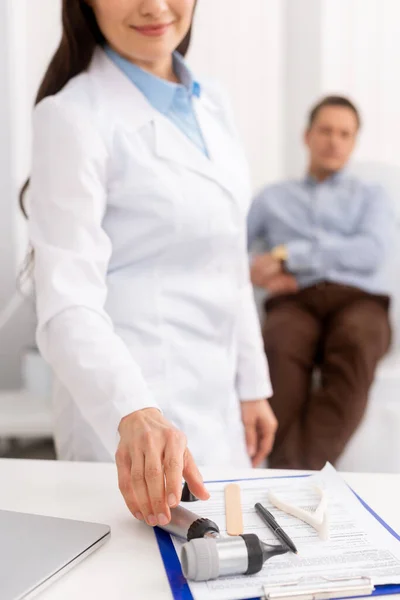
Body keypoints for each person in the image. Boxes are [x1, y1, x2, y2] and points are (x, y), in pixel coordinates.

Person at [24, 0, 277, 527]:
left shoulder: (214, 104)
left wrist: (253, 385)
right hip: (129, 418)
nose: (153, 6)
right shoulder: (72, 115)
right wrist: (132, 410)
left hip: (219, 406)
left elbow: (229, 257)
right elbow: (66, 300)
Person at [248, 96, 393, 471]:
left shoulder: (372, 196)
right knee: (278, 346)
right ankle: (290, 476)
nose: (334, 141)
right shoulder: (272, 198)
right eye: (326, 130)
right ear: (307, 136)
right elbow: (231, 249)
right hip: (296, 300)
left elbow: (371, 252)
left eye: (345, 134)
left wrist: (289, 255)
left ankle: (289, 474)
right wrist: (254, 268)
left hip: (359, 301)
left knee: (357, 344)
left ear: (354, 142)